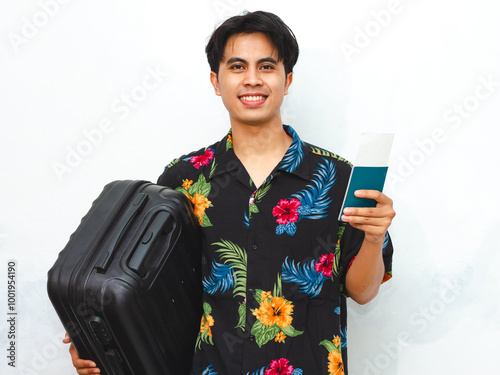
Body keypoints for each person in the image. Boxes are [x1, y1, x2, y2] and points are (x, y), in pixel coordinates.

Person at [64, 10, 395, 375]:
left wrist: (373, 238)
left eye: (266, 67)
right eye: (237, 67)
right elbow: (147, 287)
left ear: (287, 81)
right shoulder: (185, 180)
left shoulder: (338, 177)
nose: (252, 80)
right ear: (216, 81)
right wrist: (96, 339)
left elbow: (363, 292)